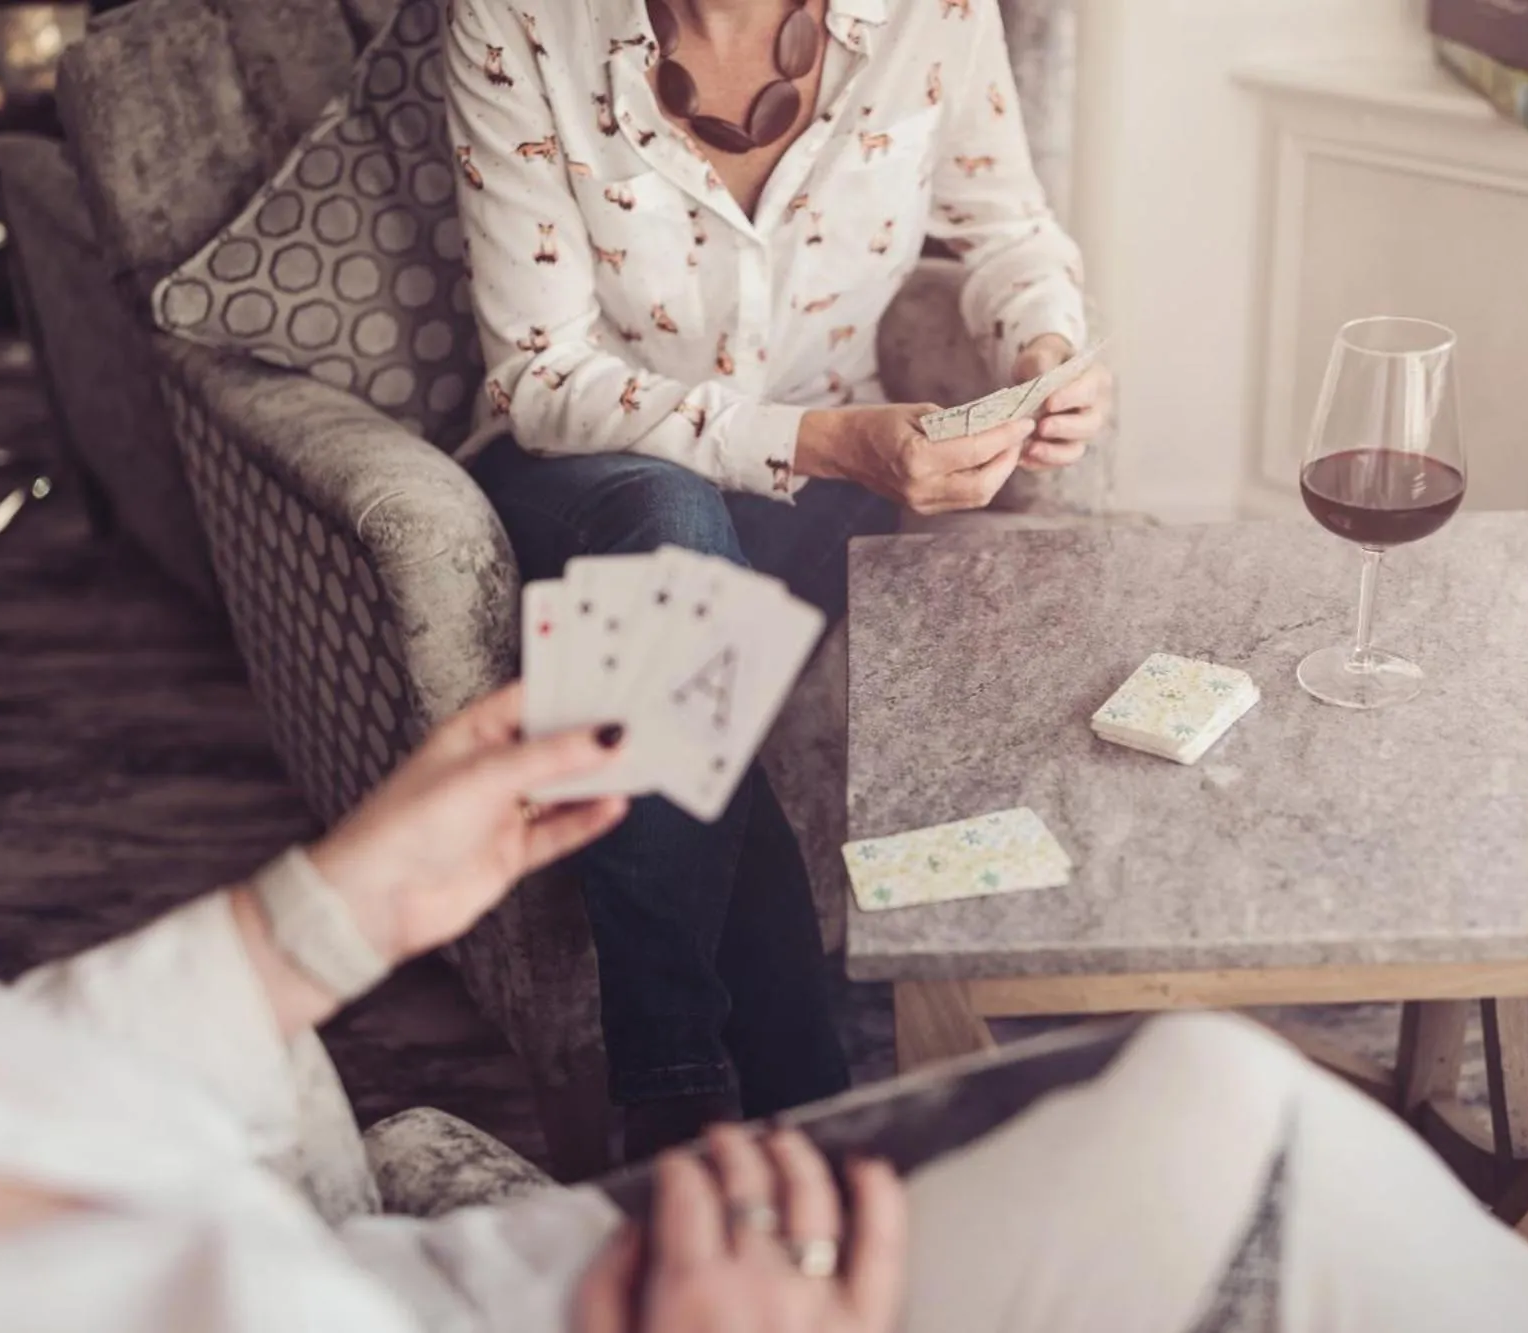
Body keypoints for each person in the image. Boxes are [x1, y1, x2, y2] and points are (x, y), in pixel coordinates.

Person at [0, 682, 1528, 1332]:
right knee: (651, 511)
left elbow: (22, 1094)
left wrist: (307, 925)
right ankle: (691, 1063)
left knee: (1209, 1095)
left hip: (415, 1278)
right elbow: (554, 365)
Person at [442, 0, 1114, 1150]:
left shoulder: (930, 13)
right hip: (586, 476)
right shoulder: (513, 18)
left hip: (821, 487)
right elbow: (541, 375)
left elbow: (1007, 235)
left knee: (675, 666)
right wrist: (814, 442)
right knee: (669, 531)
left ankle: (691, 1110)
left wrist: (1046, 353)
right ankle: (725, 1097)